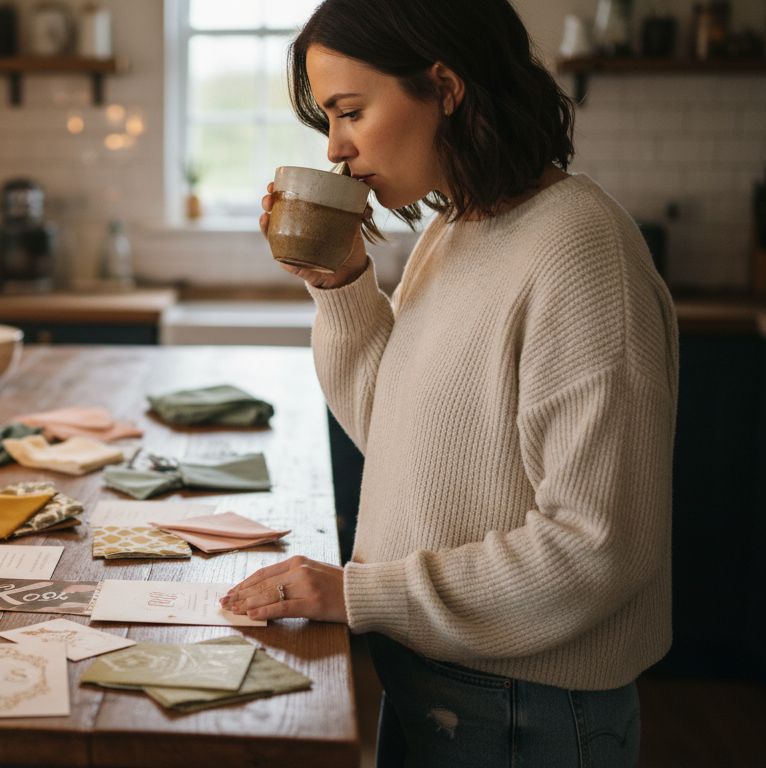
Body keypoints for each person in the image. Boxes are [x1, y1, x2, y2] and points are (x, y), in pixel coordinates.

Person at [219, 1, 677, 765]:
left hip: (524, 711)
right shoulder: (456, 230)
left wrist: (356, 595)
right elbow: (395, 437)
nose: (335, 148)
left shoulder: (580, 252)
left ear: (445, 87)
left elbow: (597, 548)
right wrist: (341, 281)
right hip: (440, 684)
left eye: (350, 112)